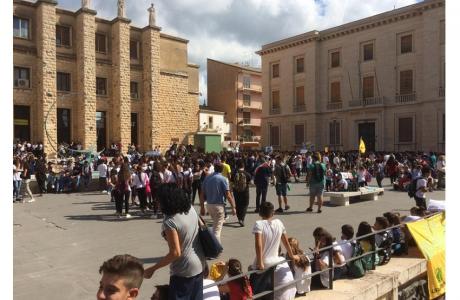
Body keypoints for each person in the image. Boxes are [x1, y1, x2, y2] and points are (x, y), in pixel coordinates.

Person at [144, 183, 206, 300]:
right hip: (199, 262)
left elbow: (175, 253)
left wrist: (153, 268)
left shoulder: (170, 221)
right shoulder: (190, 209)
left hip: (183, 270)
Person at [252, 201, 299, 300]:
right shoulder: (279, 222)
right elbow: (286, 242)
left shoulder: (258, 224)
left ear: (260, 213)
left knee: (256, 290)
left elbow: (258, 244)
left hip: (264, 263)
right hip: (275, 260)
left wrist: (260, 262)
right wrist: (291, 255)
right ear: (273, 213)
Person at [200, 163, 237, 242]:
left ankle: (213, 245)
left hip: (209, 205)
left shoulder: (207, 178)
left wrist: (202, 207)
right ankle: (216, 248)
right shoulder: (223, 179)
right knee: (217, 229)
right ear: (222, 169)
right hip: (219, 205)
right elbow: (228, 194)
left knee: (215, 226)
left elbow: (202, 193)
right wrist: (233, 206)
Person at [231, 159, 251, 227]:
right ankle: (242, 219)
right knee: (245, 204)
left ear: (236, 165)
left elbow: (231, 183)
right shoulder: (247, 174)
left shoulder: (234, 174)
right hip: (245, 191)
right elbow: (250, 183)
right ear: (243, 165)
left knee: (238, 204)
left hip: (236, 191)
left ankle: (239, 218)